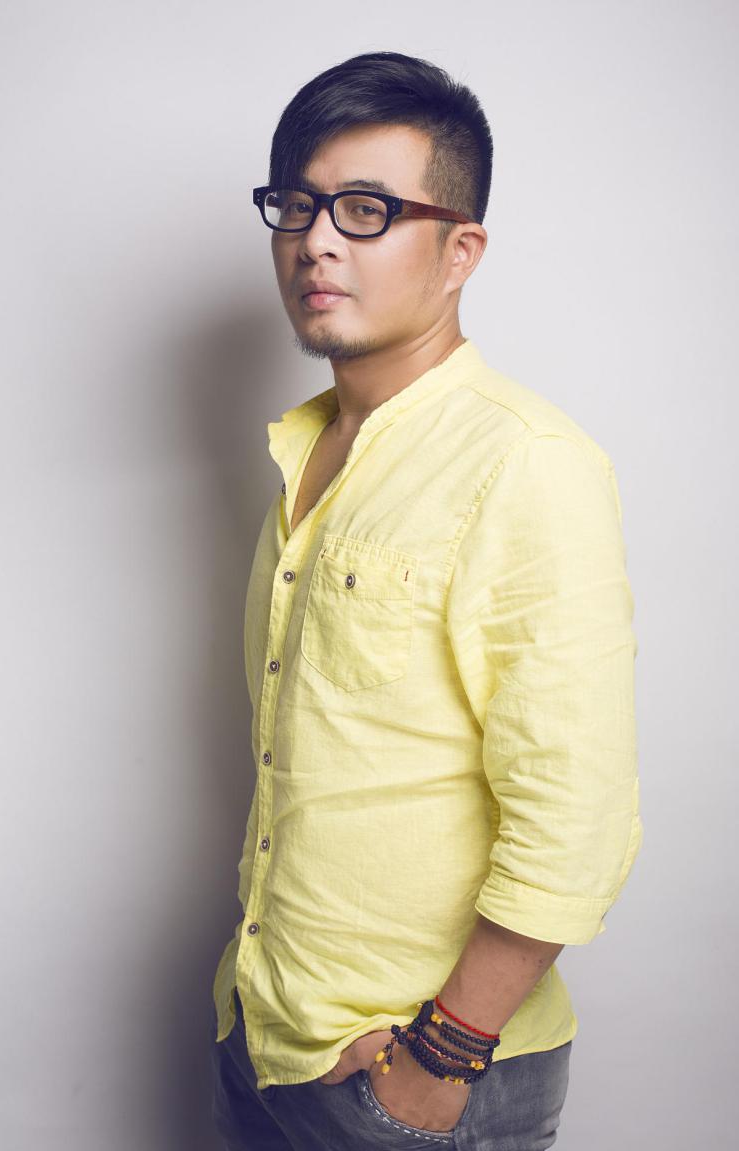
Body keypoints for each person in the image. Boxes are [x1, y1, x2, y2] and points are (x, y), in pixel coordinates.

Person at [209, 49, 643, 1150]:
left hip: (417, 1073)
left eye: (366, 210)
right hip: (267, 1030)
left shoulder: (526, 462)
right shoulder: (307, 453)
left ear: (460, 252)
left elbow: (576, 812)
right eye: (298, 204)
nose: (316, 240)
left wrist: (439, 1059)